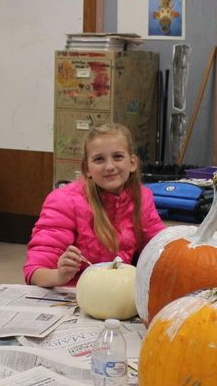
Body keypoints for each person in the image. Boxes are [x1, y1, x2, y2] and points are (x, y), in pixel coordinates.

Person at [24, 122, 166, 288]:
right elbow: (34, 271)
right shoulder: (63, 201)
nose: (110, 167)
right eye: (99, 159)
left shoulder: (142, 197)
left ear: (132, 163)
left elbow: (161, 245)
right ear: (87, 169)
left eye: (118, 157)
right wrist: (59, 275)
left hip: (121, 290)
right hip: (77, 294)